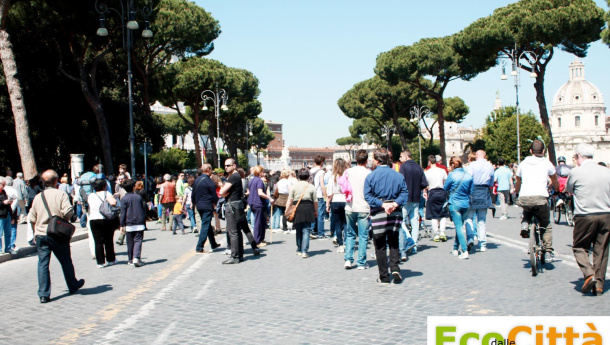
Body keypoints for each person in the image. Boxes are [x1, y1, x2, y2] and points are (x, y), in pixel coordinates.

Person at [28, 170, 85, 303]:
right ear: (56, 181)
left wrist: (35, 232)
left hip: (41, 234)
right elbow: (68, 212)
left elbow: (31, 218)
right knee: (65, 260)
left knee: (43, 264)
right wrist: (63, 218)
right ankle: (72, 284)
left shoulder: (38, 197)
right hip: (57, 233)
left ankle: (43, 294)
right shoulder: (61, 194)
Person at [565, 144, 610, 296]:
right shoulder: (606, 171)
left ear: (578, 156)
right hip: (606, 214)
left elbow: (569, 190)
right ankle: (599, 285)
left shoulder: (576, 172)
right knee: (601, 250)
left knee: (579, 246)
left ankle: (589, 273)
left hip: (585, 214)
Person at [364, 149, 408, 284]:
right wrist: (394, 204)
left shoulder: (371, 176)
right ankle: (395, 267)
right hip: (395, 212)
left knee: (380, 245)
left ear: (377, 161)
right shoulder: (398, 175)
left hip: (378, 213)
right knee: (394, 241)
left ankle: (384, 276)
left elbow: (368, 196)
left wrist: (382, 205)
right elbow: (404, 193)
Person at [515, 140, 559, 263]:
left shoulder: (523, 163)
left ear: (530, 151)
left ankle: (525, 223)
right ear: (544, 151)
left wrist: (518, 191)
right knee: (546, 224)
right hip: (541, 196)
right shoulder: (547, 163)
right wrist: (556, 189)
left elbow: (518, 179)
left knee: (527, 209)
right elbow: (554, 178)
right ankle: (548, 251)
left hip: (525, 196)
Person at [343, 149, 371, 270]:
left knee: (350, 233)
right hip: (364, 206)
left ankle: (348, 260)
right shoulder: (369, 173)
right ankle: (361, 262)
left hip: (350, 206)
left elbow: (342, 188)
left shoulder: (347, 172)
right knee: (363, 235)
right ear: (366, 160)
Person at [398, 150, 428, 259]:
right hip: (416, 197)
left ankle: (410, 240)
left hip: (405, 198)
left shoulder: (404, 167)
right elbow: (424, 183)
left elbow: (400, 182)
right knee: (415, 221)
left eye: (401, 156)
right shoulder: (418, 167)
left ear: (406, 157)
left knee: (400, 221)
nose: (400, 158)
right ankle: (415, 245)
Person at [464, 150, 495, 253]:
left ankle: (470, 238)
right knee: (482, 220)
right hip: (484, 191)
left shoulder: (472, 165)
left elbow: (467, 179)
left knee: (469, 217)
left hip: (473, 191)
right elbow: (491, 182)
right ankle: (482, 244)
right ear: (485, 156)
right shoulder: (490, 166)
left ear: (477, 156)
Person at [444, 157, 474, 259]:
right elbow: (471, 191)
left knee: (459, 227)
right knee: (459, 226)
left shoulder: (452, 175)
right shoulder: (468, 175)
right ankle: (455, 248)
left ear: (452, 165)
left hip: (454, 203)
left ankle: (464, 250)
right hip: (465, 203)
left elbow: (445, 188)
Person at [286, 168, 317, 258]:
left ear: (298, 176)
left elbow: (289, 200)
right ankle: (304, 251)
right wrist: (316, 211)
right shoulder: (311, 186)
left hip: (297, 208)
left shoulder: (294, 186)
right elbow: (315, 201)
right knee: (306, 230)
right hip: (308, 207)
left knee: (298, 229)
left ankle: (299, 248)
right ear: (308, 176)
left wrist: (287, 210)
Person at [88, 179, 119, 268]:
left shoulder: (91, 195)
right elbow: (113, 202)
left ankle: (100, 262)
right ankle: (111, 259)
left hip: (93, 219)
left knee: (98, 242)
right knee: (108, 240)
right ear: (104, 186)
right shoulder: (106, 194)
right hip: (105, 219)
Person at [192, 164, 221, 255]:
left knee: (207, 225)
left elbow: (193, 194)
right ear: (208, 170)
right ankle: (199, 247)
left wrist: (194, 204)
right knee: (205, 225)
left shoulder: (196, 180)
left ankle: (213, 243)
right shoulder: (209, 181)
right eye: (211, 169)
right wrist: (217, 204)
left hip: (199, 205)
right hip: (207, 206)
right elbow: (214, 196)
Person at [119, 179, 146, 267]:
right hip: (139, 221)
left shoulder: (124, 199)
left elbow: (122, 213)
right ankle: (136, 258)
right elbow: (142, 210)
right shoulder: (138, 197)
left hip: (128, 222)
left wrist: (122, 224)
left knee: (129, 242)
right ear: (133, 187)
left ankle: (130, 259)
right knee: (138, 240)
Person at [424, 155, 448, 242]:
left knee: (434, 215)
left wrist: (425, 192)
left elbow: (425, 184)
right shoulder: (442, 171)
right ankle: (442, 232)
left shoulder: (427, 172)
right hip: (441, 192)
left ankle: (436, 234)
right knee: (443, 213)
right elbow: (446, 181)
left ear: (429, 162)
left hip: (432, 192)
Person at [326, 158, 348, 253]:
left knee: (338, 224)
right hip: (346, 199)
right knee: (346, 223)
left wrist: (327, 204)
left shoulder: (332, 176)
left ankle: (340, 244)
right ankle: (347, 242)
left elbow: (329, 192)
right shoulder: (347, 175)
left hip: (335, 200)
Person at [247, 165, 271, 247]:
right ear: (259, 172)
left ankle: (260, 239)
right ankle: (257, 240)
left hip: (252, 202)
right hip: (258, 203)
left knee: (260, 221)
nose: (263, 174)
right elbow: (260, 193)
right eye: (262, 172)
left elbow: (249, 191)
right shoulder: (259, 181)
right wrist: (269, 198)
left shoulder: (251, 180)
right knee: (259, 222)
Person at [309, 155, 328, 239]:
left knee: (313, 213)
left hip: (311, 194)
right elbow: (322, 185)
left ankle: (311, 230)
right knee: (320, 214)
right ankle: (321, 233)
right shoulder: (321, 172)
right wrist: (326, 196)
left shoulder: (310, 170)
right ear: (322, 162)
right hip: (319, 195)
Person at [272, 169, 292, 234]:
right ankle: (285, 227)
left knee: (278, 213)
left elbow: (276, 190)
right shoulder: (288, 182)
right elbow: (290, 190)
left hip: (280, 197)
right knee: (285, 213)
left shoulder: (279, 182)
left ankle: (276, 226)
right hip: (286, 197)